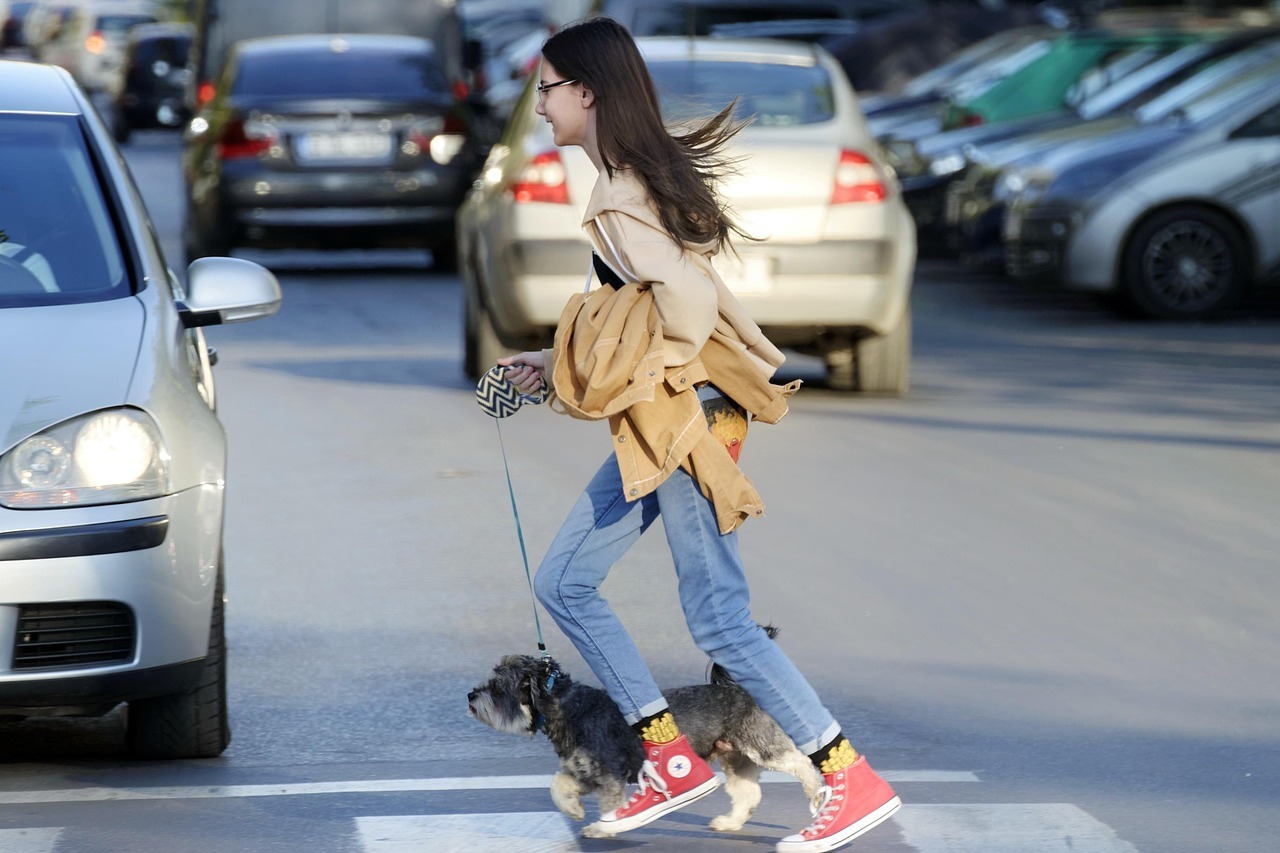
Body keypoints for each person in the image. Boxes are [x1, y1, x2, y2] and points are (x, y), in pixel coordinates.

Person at [496, 16, 900, 852]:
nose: (539, 107)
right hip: (675, 408)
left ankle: (847, 776)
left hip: (686, 412)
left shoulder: (619, 191)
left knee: (718, 618)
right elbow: (639, 307)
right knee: (566, 581)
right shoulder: (626, 181)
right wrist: (555, 358)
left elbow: (684, 307)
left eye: (546, 90)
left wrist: (656, 376)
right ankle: (668, 757)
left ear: (586, 91)